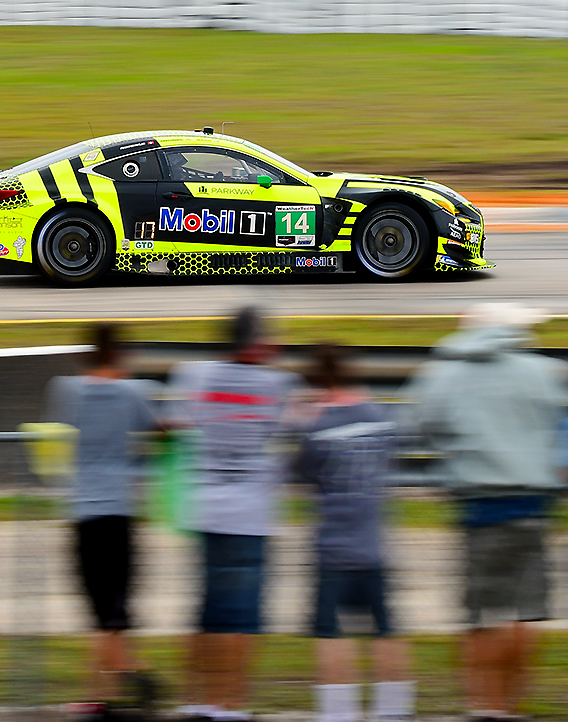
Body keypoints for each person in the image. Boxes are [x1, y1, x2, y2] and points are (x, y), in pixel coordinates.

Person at [404, 303, 568, 722]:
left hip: (479, 505)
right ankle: (512, 705)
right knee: (525, 611)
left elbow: (414, 424)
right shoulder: (546, 371)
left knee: (482, 613)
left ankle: (483, 706)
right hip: (535, 504)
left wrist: (453, 447)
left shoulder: (446, 373)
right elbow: (566, 422)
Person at [167, 307, 305, 722]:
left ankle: (195, 700)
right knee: (242, 617)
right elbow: (297, 431)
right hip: (251, 514)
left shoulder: (192, 375)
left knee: (207, 611)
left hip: (206, 509)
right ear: (258, 343)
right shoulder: (282, 384)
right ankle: (231, 705)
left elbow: (172, 426)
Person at [46, 323, 163, 717]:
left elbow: (60, 429)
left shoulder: (66, 389)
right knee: (113, 612)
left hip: (83, 511)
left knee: (101, 613)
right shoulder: (136, 392)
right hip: (121, 510)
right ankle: (124, 681)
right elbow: (160, 428)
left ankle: (113, 690)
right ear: (120, 356)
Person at [294, 345, 414, 722]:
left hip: (333, 547)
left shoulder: (318, 427)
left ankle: (337, 715)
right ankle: (392, 712)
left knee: (331, 633)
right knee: (385, 630)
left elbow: (300, 474)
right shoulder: (381, 417)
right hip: (374, 545)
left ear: (317, 381)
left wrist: (305, 418)